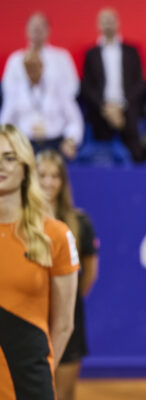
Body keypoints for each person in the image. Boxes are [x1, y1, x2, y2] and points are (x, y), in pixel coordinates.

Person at [0, 124, 78, 400]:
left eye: (9, 158)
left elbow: (64, 324)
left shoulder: (56, 235)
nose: (2, 166)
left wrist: (39, 373)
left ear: (24, 166)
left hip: (29, 385)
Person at [36, 150, 99, 400]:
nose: (49, 182)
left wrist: (65, 299)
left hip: (68, 318)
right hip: (31, 317)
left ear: (63, 182)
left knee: (64, 394)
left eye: (55, 176)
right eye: (42, 175)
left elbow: (90, 271)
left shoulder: (80, 221)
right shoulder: (18, 220)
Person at [80, 8, 146, 162]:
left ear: (118, 23)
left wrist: (120, 106)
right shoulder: (91, 54)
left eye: (111, 21)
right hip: (100, 111)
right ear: (98, 25)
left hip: (127, 110)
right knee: (102, 157)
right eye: (104, 21)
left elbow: (139, 83)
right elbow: (87, 87)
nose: (108, 25)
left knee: (136, 153)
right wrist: (106, 107)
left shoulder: (131, 51)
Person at [0, 50, 83, 160]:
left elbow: (74, 120)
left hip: (54, 143)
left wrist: (70, 140)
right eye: (28, 68)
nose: (32, 71)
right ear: (24, 69)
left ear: (42, 66)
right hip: (25, 144)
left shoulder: (58, 88)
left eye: (35, 66)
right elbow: (5, 122)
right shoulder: (16, 92)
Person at [2, 12, 79, 101]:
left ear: (48, 30)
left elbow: (72, 87)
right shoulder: (15, 59)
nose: (36, 29)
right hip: (24, 112)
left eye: (40, 27)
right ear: (26, 30)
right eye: (33, 27)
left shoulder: (62, 57)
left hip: (55, 111)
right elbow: (8, 89)